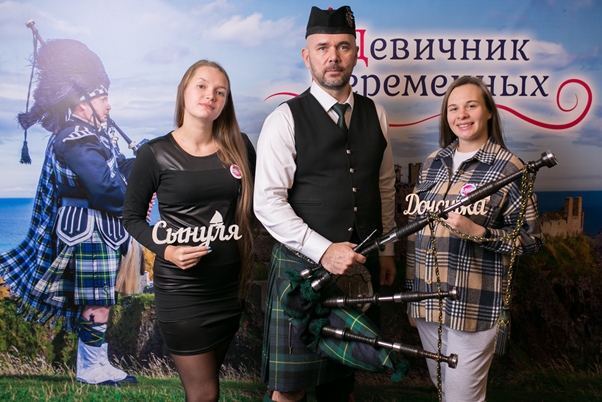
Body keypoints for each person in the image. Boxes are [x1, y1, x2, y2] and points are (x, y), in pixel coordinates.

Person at [254, 5, 397, 402]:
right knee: (289, 392)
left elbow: (384, 185)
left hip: (359, 272)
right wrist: (323, 250)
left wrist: (387, 250)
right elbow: (267, 202)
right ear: (307, 56)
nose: (333, 56)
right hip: (301, 274)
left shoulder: (376, 113)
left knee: (340, 386)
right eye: (322, 48)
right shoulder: (284, 119)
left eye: (343, 46)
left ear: (355, 53)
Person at [0, 39, 138, 386]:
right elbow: (104, 189)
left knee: (99, 300)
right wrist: (134, 198)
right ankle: (90, 368)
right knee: (96, 300)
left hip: (94, 229)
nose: (109, 105)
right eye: (103, 98)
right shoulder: (76, 138)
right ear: (83, 102)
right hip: (88, 229)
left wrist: (147, 159)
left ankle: (98, 364)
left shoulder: (89, 136)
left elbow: (115, 170)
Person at [122, 60, 256, 402]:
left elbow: (260, 207)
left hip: (229, 290)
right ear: (184, 91)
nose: (210, 95)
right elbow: (132, 218)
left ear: (225, 102)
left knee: (209, 388)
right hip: (182, 292)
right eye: (202, 86)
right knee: (204, 394)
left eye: (220, 92)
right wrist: (167, 251)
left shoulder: (240, 147)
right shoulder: (154, 153)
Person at [405, 76, 544, 401]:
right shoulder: (432, 163)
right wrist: (412, 296)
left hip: (472, 306)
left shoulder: (509, 168)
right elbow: (414, 234)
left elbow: (532, 240)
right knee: (444, 391)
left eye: (471, 106)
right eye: (454, 108)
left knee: (462, 398)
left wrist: (480, 233)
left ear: (489, 111)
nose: (462, 115)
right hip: (428, 303)